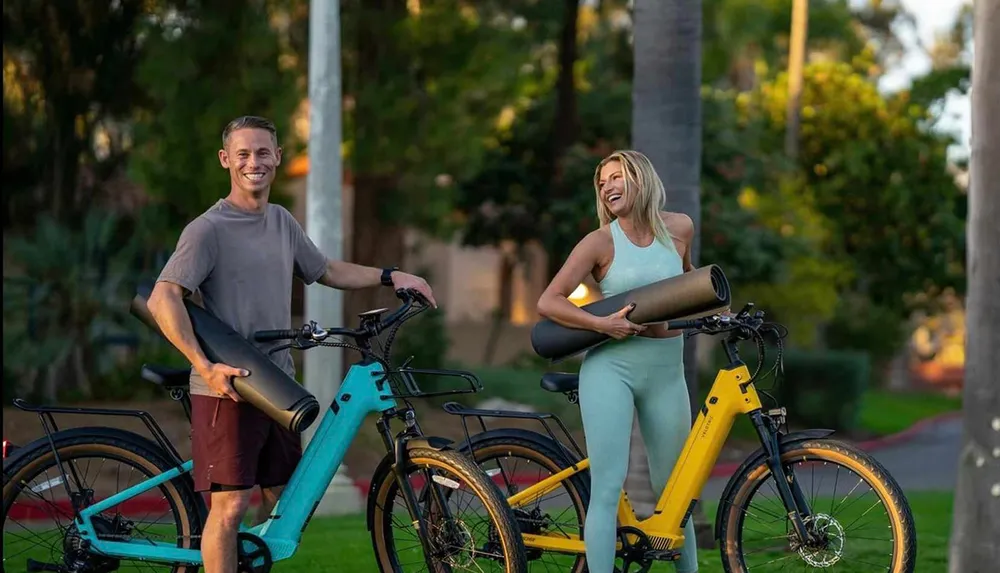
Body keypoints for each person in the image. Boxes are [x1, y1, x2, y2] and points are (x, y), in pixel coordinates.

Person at [145, 115, 436, 573]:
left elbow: (325, 270)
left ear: (278, 157)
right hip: (229, 385)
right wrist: (204, 365)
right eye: (243, 154)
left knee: (284, 501)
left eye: (263, 152)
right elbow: (164, 297)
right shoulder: (207, 229)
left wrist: (390, 275)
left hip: (276, 386)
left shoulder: (280, 220)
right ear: (226, 161)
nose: (253, 162)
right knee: (231, 507)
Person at [535, 149, 699, 573]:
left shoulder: (679, 228)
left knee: (676, 491)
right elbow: (548, 301)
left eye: (615, 176)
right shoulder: (600, 241)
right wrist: (604, 325)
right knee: (608, 488)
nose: (606, 185)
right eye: (601, 181)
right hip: (612, 370)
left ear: (640, 177)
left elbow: (684, 284)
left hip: (667, 371)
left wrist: (720, 311)